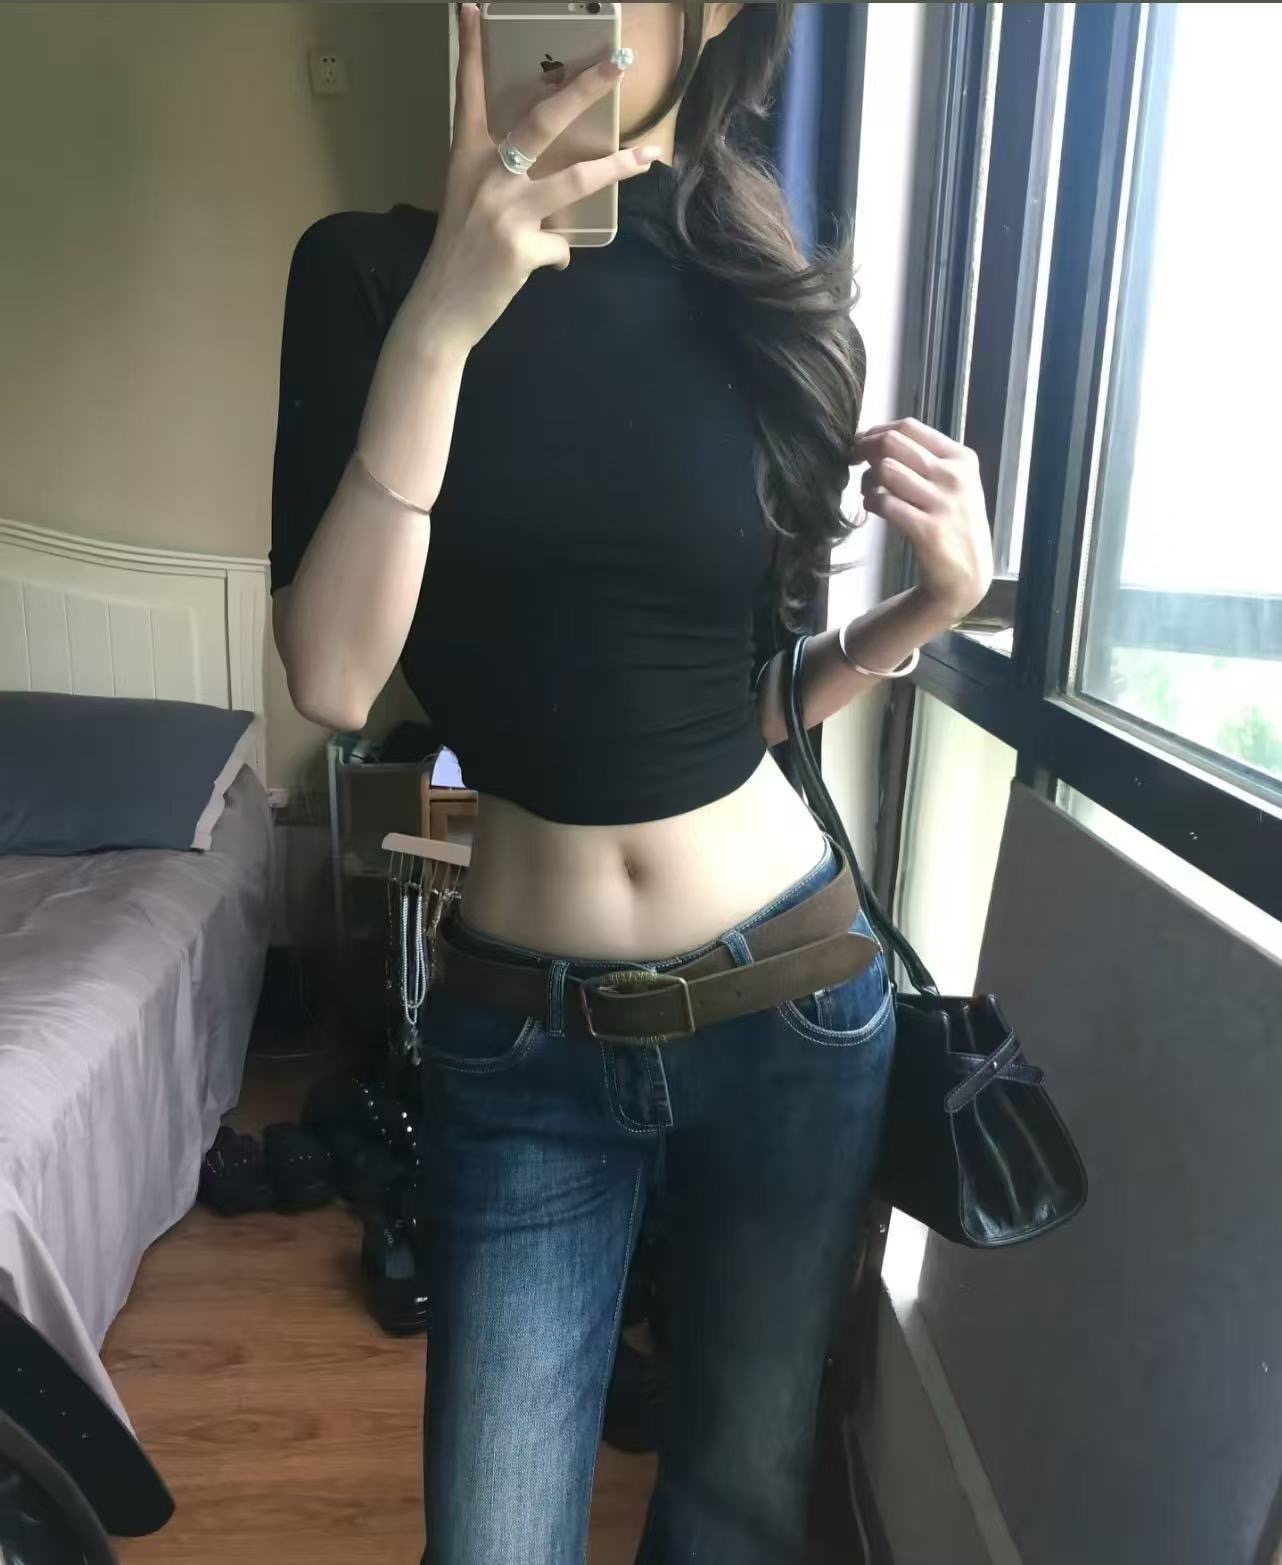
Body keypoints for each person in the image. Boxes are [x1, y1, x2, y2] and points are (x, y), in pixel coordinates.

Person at [271, 5, 992, 1560]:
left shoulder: (766, 307)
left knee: (734, 1508)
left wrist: (922, 611)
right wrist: (443, 322)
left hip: (791, 1004)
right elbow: (331, 675)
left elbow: (728, 710)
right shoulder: (364, 275)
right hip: (517, 1032)